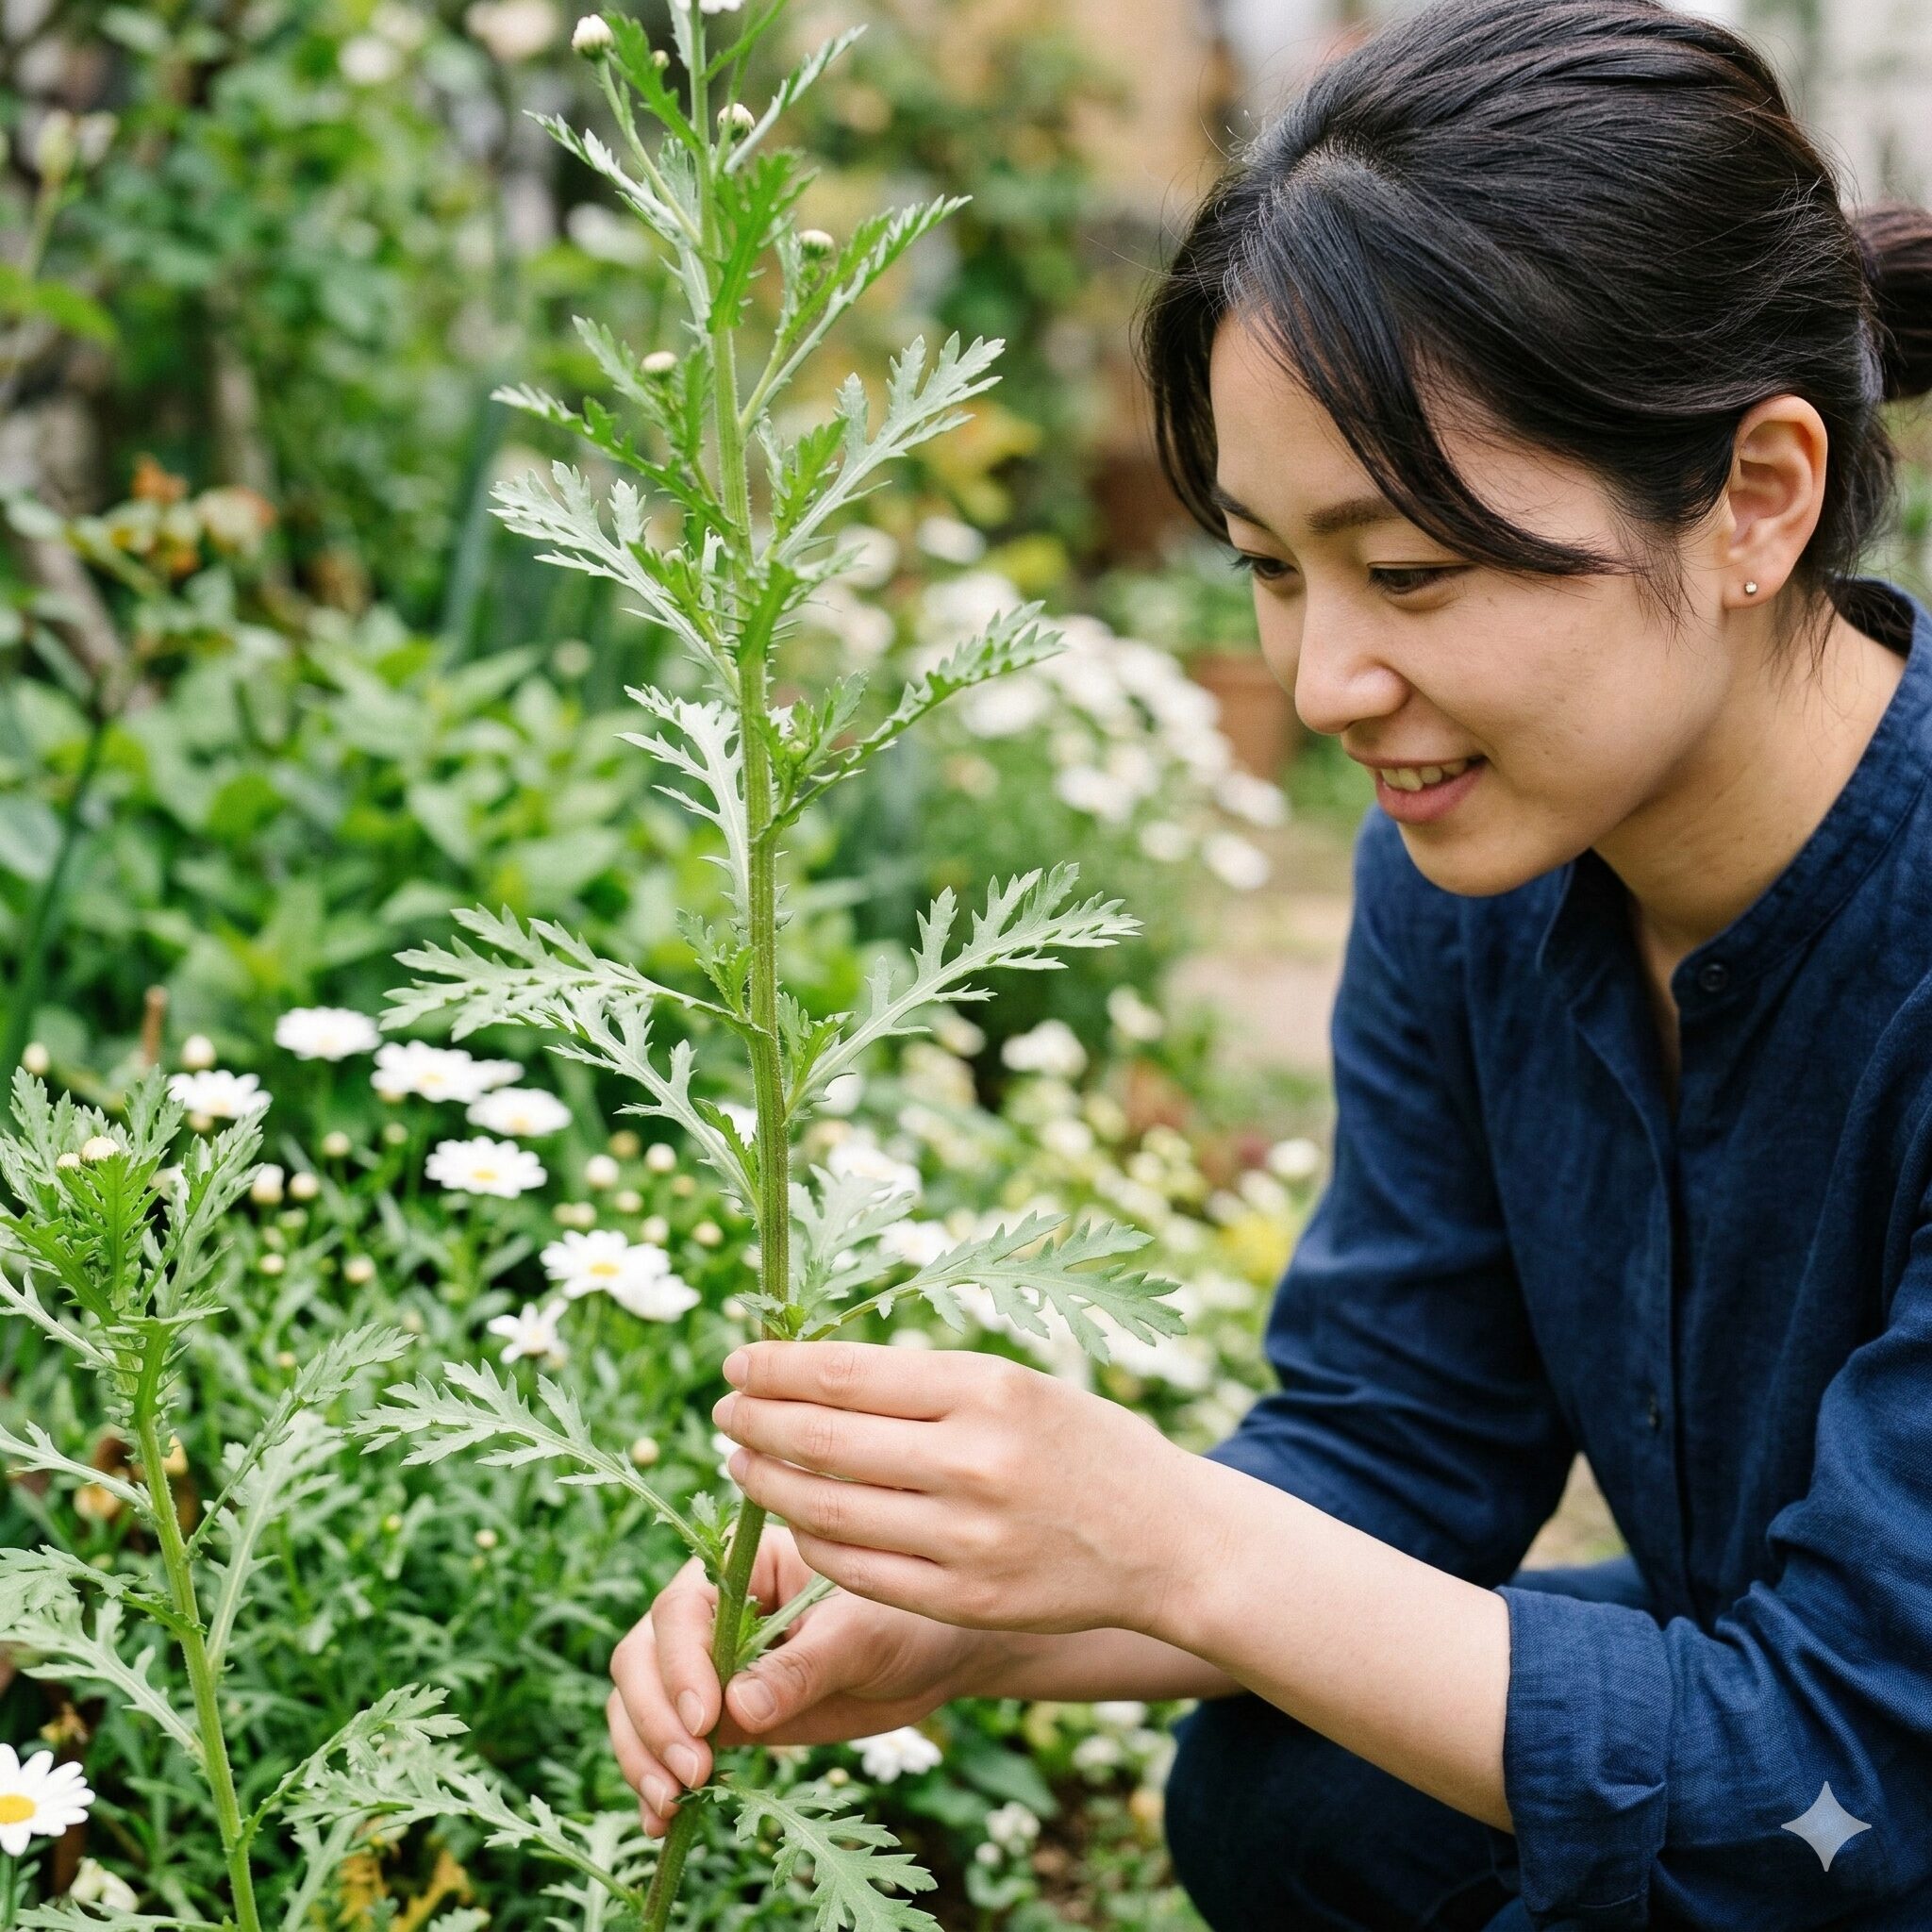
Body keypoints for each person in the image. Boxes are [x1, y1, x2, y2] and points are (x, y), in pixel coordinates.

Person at [605, 1, 1932, 1924]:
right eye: (1265, 563)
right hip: (1825, 1769)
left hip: (1864, 1786)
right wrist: (983, 1602)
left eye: (1406, 572)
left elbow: (1846, 1775)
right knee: (1305, 1789)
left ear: (1752, 498)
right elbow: (1403, 1436)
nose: (1323, 683)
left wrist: (1170, 1537)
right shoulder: (1480, 865)